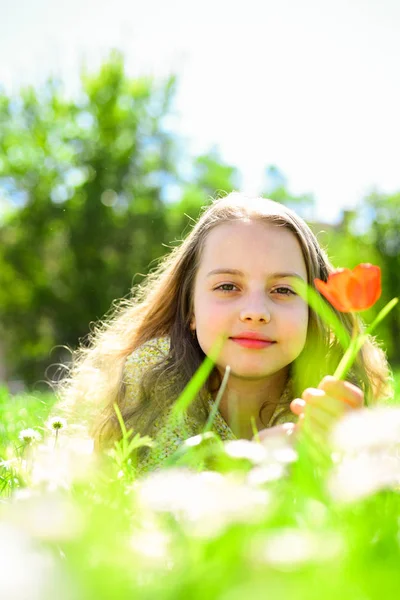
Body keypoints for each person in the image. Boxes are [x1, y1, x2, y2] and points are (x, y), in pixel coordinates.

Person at [58, 192, 392, 472]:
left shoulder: (335, 391)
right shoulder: (151, 382)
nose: (256, 313)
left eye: (284, 290)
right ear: (189, 308)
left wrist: (356, 453)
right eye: (228, 286)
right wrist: (260, 469)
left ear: (314, 311)